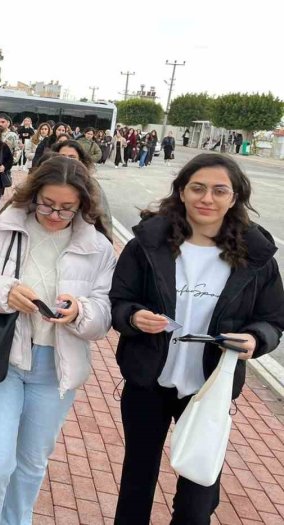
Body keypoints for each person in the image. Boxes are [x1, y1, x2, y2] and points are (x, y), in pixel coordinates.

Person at [109, 153, 284, 524]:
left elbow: (272, 320)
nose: (207, 198)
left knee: (197, 497)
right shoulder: (149, 243)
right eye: (198, 188)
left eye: (219, 191)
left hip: (209, 389)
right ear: (182, 192)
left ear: (234, 197)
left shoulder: (256, 256)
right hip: (148, 381)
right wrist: (133, 317)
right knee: (138, 479)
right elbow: (119, 300)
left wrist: (255, 340)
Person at [0, 156, 116, 524]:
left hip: (56, 368)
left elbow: (105, 314)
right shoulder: (0, 229)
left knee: (30, 463)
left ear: (83, 204)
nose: (55, 215)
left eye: (66, 208)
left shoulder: (98, 248)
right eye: (47, 204)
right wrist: (4, 291)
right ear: (33, 194)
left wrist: (81, 312)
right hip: (3, 360)